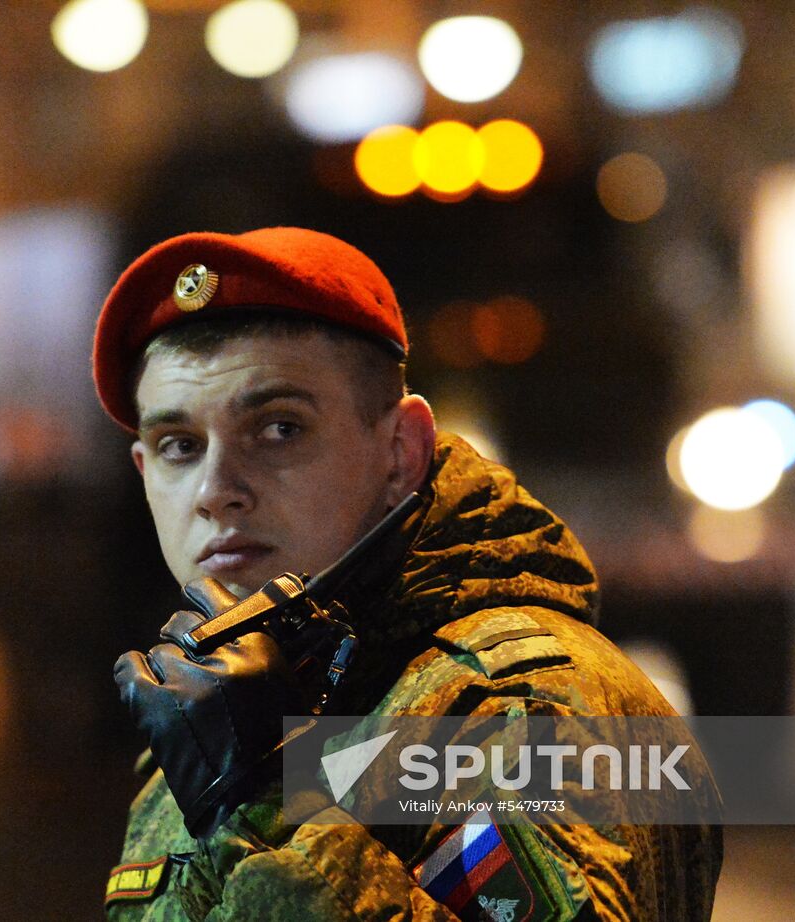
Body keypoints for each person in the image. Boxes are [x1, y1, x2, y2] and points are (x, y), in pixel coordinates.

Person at [94, 227, 722, 920]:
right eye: (179, 445)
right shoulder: (216, 721)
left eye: (279, 429)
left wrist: (272, 799)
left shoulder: (530, 706)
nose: (216, 489)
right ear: (145, 475)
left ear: (400, 453)